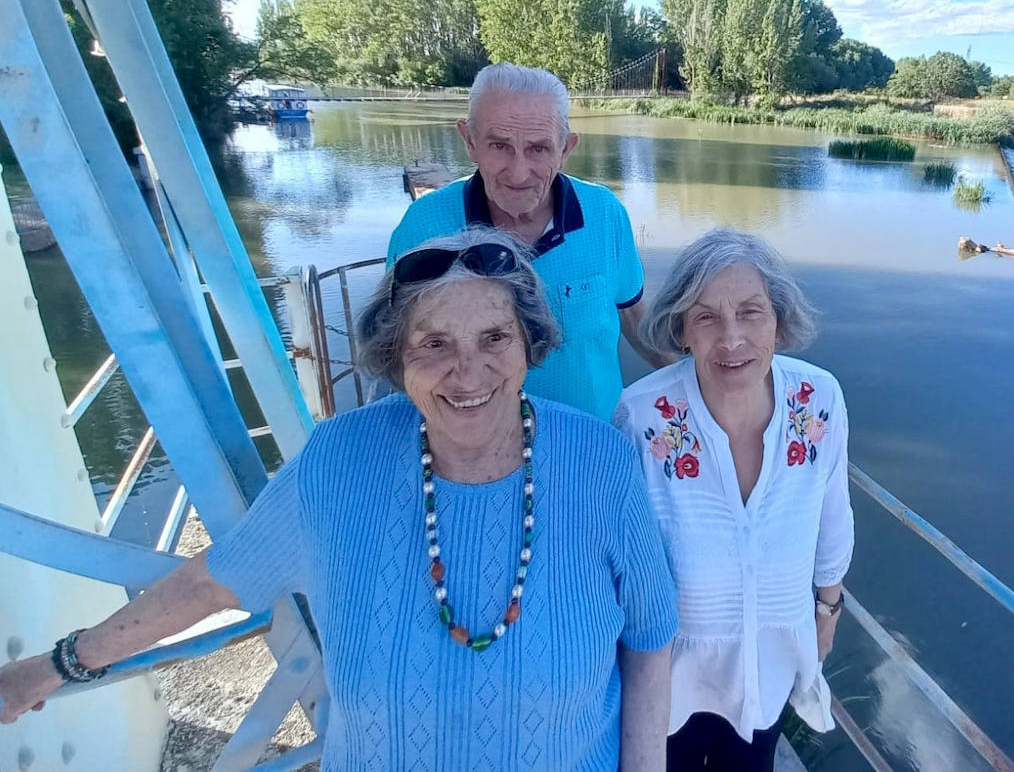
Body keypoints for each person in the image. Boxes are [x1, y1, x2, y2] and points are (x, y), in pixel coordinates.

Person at [0, 227, 678, 770]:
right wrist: (56, 665)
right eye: (434, 343)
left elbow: (650, 638)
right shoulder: (339, 462)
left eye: (494, 337)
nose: (468, 370)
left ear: (530, 344)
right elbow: (212, 581)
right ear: (396, 357)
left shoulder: (601, 464)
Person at [613, 228, 854, 771]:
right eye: (705, 318)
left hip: (770, 662)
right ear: (680, 329)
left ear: (779, 321)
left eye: (751, 313)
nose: (731, 339)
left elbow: (834, 513)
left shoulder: (819, 400)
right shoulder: (644, 415)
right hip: (667, 672)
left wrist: (828, 607)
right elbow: (620, 553)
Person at [388, 62, 666, 420]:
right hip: (475, 459)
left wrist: (699, 384)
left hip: (595, 450)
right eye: (499, 146)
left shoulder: (605, 213)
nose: (519, 173)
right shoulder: (422, 227)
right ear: (469, 141)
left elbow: (634, 316)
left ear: (566, 149)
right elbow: (400, 350)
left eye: (538, 149)